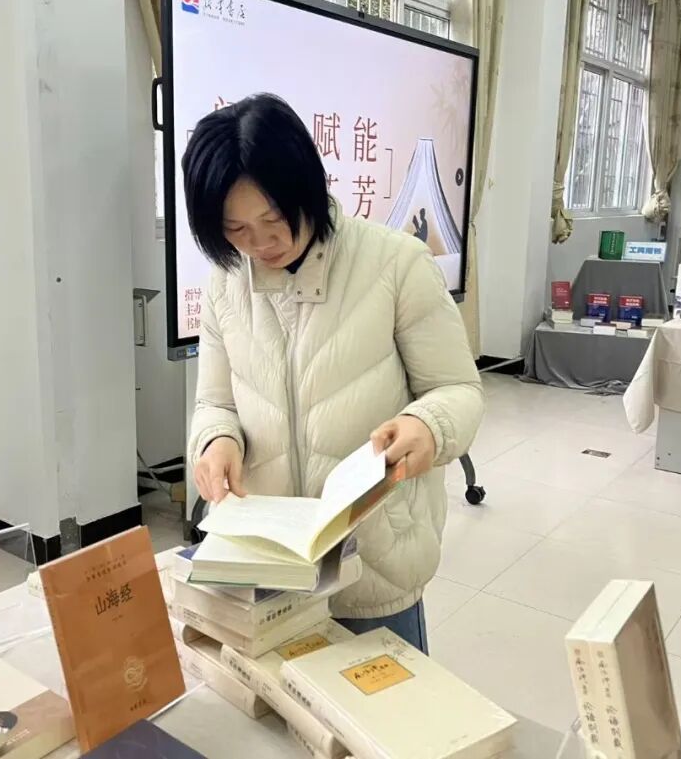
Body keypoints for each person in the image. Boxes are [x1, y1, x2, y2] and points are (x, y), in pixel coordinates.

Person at [183, 94, 484, 654]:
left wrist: (428, 426)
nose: (260, 244)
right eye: (236, 229)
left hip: (375, 559)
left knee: (387, 705)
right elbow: (215, 403)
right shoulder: (225, 286)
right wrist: (216, 440)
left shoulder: (395, 263)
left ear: (308, 188)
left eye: (273, 220)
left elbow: (458, 389)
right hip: (272, 564)